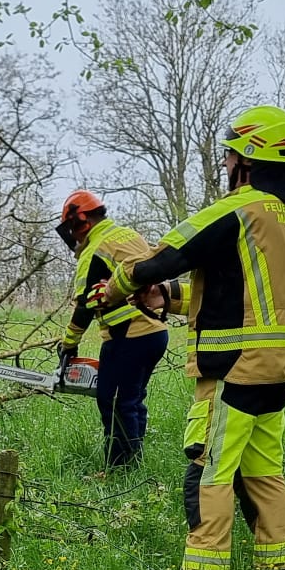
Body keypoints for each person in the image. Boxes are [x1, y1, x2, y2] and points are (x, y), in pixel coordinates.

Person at [91, 104, 285, 570]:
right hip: (280, 367)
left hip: (236, 366)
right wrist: (167, 298)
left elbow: (156, 259)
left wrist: (117, 290)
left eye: (230, 156)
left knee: (208, 468)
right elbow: (236, 297)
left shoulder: (237, 210)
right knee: (263, 470)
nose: (226, 164)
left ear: (247, 159)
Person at [55, 190, 180, 469]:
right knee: (131, 399)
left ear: (80, 222)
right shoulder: (127, 235)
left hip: (129, 334)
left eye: (71, 229)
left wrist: (69, 343)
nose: (72, 238)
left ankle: (121, 469)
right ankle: (134, 461)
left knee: (113, 400)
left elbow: (86, 305)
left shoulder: (94, 251)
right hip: (155, 332)